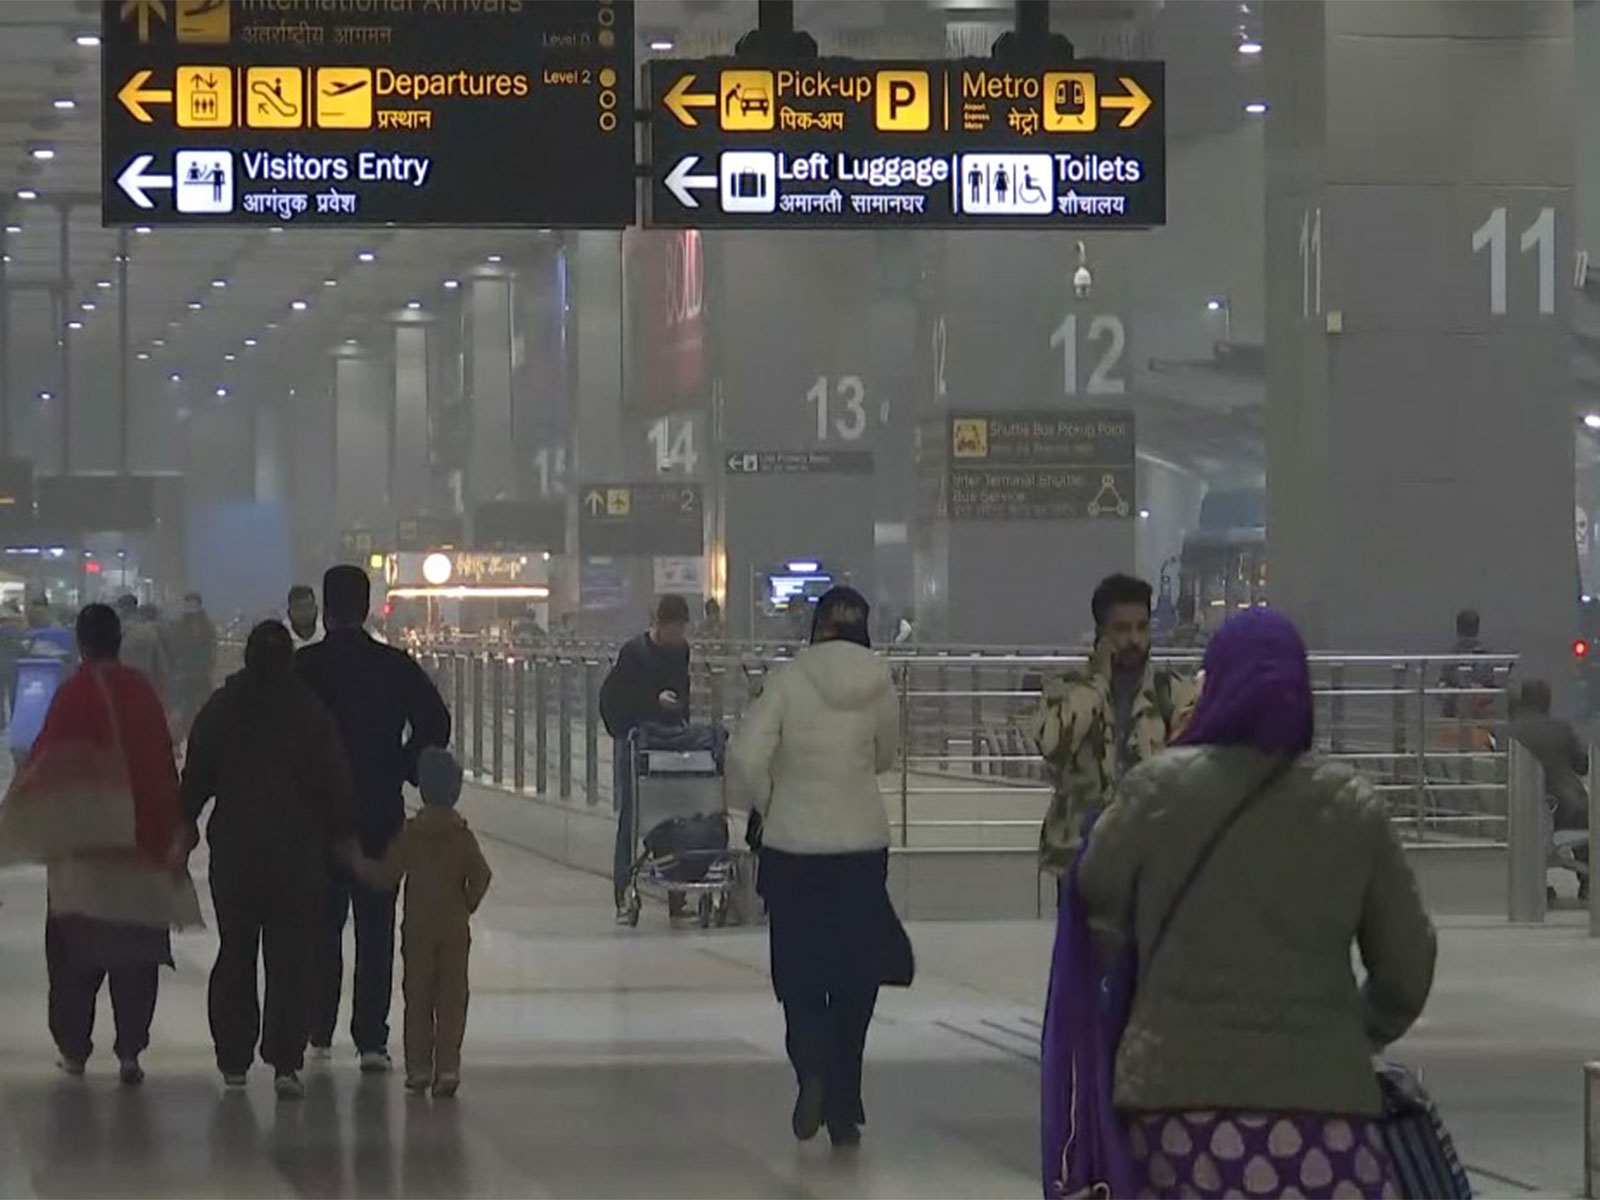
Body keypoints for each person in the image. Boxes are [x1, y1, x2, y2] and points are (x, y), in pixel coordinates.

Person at [1075, 608, 1436, 1199]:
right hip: (1325, 1112)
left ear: (1214, 685)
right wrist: (1347, 1032)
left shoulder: (1155, 791)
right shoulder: (1352, 808)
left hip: (1178, 1109)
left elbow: (1096, 899)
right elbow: (1408, 968)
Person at [728, 586, 910, 1150]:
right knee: (855, 979)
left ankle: (811, 1065)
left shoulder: (788, 679)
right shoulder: (880, 682)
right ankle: (844, 1107)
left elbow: (744, 754)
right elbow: (887, 755)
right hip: (859, 847)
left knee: (801, 974)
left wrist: (771, 800)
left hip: (793, 850)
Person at [0, 604, 200, 1086]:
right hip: (141, 849)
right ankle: (130, 1050)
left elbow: (47, 763)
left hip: (85, 854)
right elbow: (161, 764)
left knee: (73, 958)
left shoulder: (73, 693)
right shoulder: (143, 693)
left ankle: (74, 1049)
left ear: (81, 644)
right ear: (118, 641)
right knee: (135, 955)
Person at [176, 621, 358, 1098]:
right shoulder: (309, 711)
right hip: (297, 857)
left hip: (237, 852)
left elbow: (196, 776)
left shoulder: (224, 707)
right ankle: (285, 1061)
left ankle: (233, 1059)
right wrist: (343, 836)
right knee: (290, 958)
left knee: (236, 952)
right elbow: (333, 782)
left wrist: (185, 824)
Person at [298, 565, 451, 1073]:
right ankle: (371, 1038)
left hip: (318, 815)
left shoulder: (305, 668)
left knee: (320, 925)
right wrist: (404, 765)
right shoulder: (392, 666)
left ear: (325, 608)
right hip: (378, 808)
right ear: (365, 608)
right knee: (376, 927)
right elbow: (436, 721)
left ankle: (318, 1024)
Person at [1029, 573, 1198, 876]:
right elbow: (1051, 744)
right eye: (1121, 629)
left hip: (1151, 859)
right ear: (1101, 634)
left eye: (1142, 627)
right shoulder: (1068, 690)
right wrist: (1098, 684)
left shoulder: (1170, 693)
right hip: (1078, 858)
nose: (1134, 639)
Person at [358, 747, 492, 1097]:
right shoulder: (462, 837)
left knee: (417, 1000)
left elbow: (388, 875)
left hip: (417, 932)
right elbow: (481, 876)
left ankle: (418, 1068)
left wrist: (360, 866)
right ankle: (447, 1067)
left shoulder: (410, 834)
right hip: (454, 931)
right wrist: (467, 904)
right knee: (451, 1001)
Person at [598, 594, 692, 922]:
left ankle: (676, 891)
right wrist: (654, 701)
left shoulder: (681, 652)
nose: (678, 637)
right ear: (660, 626)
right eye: (675, 629)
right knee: (632, 816)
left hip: (667, 739)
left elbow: (684, 691)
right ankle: (623, 891)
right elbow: (618, 699)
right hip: (636, 741)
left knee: (670, 815)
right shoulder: (634, 654)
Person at [1509, 678, 1590, 832]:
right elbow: (1582, 766)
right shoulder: (1561, 729)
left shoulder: (1508, 732)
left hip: (1518, 805)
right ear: (1546, 702)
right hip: (1565, 804)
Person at [168, 591, 217, 731]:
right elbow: (175, 646)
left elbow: (211, 646)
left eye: (192, 602)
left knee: (203, 703)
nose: (190, 606)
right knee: (187, 705)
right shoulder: (180, 625)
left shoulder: (205, 624)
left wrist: (210, 665)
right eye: (188, 602)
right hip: (186, 671)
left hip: (202, 671)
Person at [115, 594, 170, 703]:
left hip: (117, 692)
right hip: (145, 689)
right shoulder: (149, 633)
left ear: (119, 610)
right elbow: (162, 667)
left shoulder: (110, 633)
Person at [285, 583, 324, 649]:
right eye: (298, 608)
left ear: (316, 609)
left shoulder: (326, 632)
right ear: (289, 613)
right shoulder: (283, 637)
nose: (304, 613)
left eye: (308, 607)